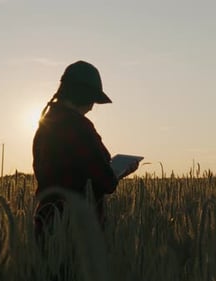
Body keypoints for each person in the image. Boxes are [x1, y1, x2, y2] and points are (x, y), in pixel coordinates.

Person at [32, 60, 138, 245]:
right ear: (83, 96)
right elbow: (105, 181)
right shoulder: (79, 127)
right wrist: (121, 171)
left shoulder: (45, 124)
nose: (92, 106)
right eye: (93, 99)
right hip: (77, 233)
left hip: (46, 225)